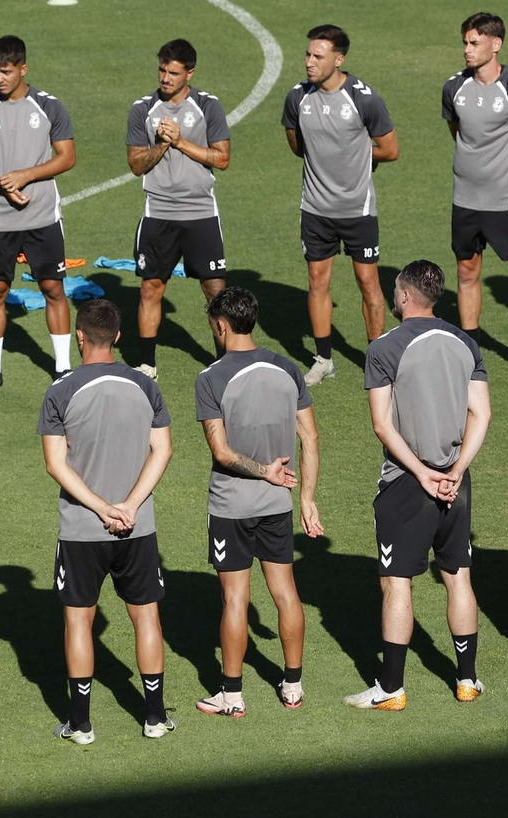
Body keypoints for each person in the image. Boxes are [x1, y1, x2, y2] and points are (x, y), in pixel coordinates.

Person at [345, 260, 490, 711]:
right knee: (458, 576)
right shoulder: (467, 343)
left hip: (408, 483)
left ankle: (391, 688)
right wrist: (457, 470)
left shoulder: (384, 347)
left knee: (396, 584)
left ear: (406, 296)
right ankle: (466, 681)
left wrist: (424, 475)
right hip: (455, 481)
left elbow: (381, 425)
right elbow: (481, 414)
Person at [37, 299, 175, 744]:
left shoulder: (60, 390)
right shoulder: (145, 385)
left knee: (78, 622)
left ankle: (80, 724)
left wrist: (100, 508)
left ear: (79, 337)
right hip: (139, 526)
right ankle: (154, 717)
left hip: (81, 529)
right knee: (146, 618)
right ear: (118, 336)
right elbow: (164, 450)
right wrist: (130, 505)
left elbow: (56, 465)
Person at [192, 287, 321, 716]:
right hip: (277, 505)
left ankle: (231, 694)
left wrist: (262, 470)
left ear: (222, 325)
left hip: (231, 507)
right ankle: (293, 687)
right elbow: (311, 437)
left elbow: (222, 452)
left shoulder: (210, 378)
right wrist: (305, 497)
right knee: (286, 592)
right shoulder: (287, 368)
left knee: (234, 599)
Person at [0, 35, 76, 394]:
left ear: (23, 68)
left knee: (53, 287)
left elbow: (67, 157)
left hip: (42, 215)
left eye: (6, 71)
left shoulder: (49, 107)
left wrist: (25, 175)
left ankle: (64, 368)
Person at [281, 25, 398, 385]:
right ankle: (324, 359)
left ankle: (376, 358)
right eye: (307, 54)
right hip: (315, 209)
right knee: (318, 282)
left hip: (357, 210)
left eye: (318, 56)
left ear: (339, 59)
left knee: (367, 282)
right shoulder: (297, 97)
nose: (309, 62)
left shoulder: (364, 99)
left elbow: (390, 149)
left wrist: (358, 158)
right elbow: (296, 143)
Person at [125, 39, 231, 379]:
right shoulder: (142, 109)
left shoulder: (207, 106)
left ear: (190, 73)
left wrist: (181, 141)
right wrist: (161, 145)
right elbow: (136, 165)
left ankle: (225, 360)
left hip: (201, 213)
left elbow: (222, 158)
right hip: (158, 214)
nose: (165, 78)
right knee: (150, 288)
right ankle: (146, 363)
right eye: (161, 70)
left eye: (173, 72)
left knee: (215, 288)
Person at [441, 12, 508, 346]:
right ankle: (471, 350)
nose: (467, 50)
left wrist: (507, 173)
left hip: (507, 203)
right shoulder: (454, 88)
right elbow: (459, 134)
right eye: (465, 43)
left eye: (474, 43)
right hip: (465, 202)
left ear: (496, 44)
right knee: (466, 273)